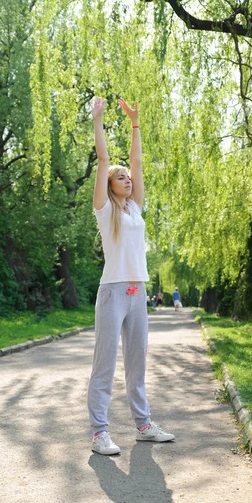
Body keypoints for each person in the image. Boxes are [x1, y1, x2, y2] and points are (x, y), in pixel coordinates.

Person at [87, 96, 175, 455]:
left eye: (127, 177)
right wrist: (99, 121)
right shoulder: (104, 209)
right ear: (110, 185)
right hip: (112, 291)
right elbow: (105, 160)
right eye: (119, 177)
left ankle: (143, 425)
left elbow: (137, 162)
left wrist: (136, 124)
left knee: (137, 363)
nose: (126, 178)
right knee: (105, 364)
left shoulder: (135, 208)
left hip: (138, 291)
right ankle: (99, 433)